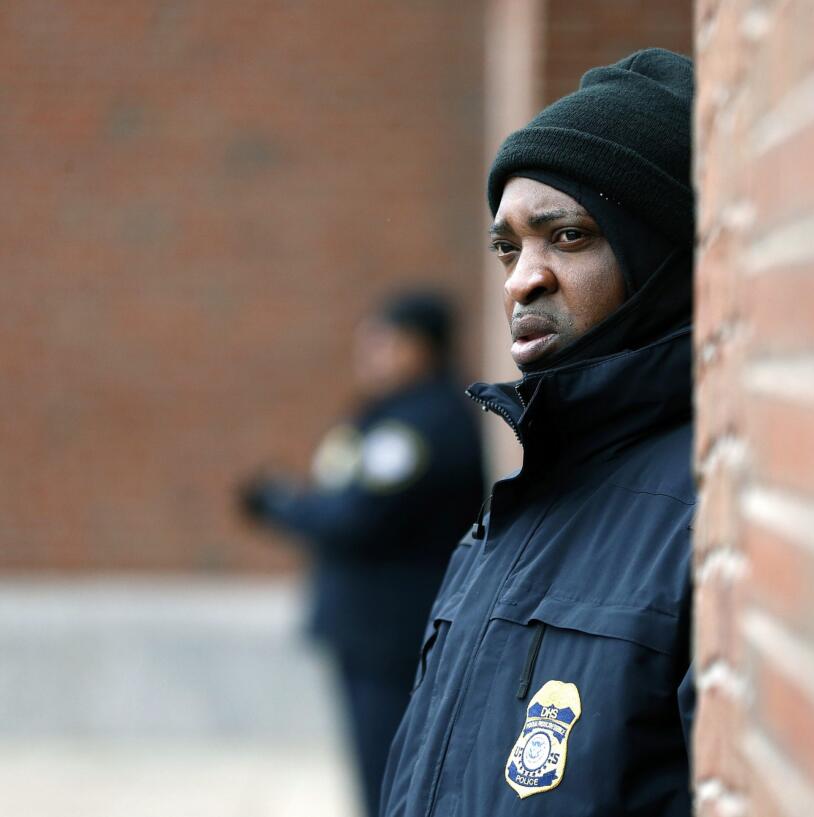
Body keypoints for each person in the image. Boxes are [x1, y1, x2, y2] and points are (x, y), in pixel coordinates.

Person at [380, 49, 695, 817]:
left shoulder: (706, 508)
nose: (524, 277)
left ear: (660, 258)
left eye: (570, 237)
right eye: (508, 246)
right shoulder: (517, 506)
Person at [239, 292, 485, 817]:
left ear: (421, 348)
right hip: (373, 629)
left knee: (389, 773)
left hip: (391, 633)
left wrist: (282, 504)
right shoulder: (391, 414)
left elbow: (356, 517)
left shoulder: (422, 425)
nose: (370, 356)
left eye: (384, 342)